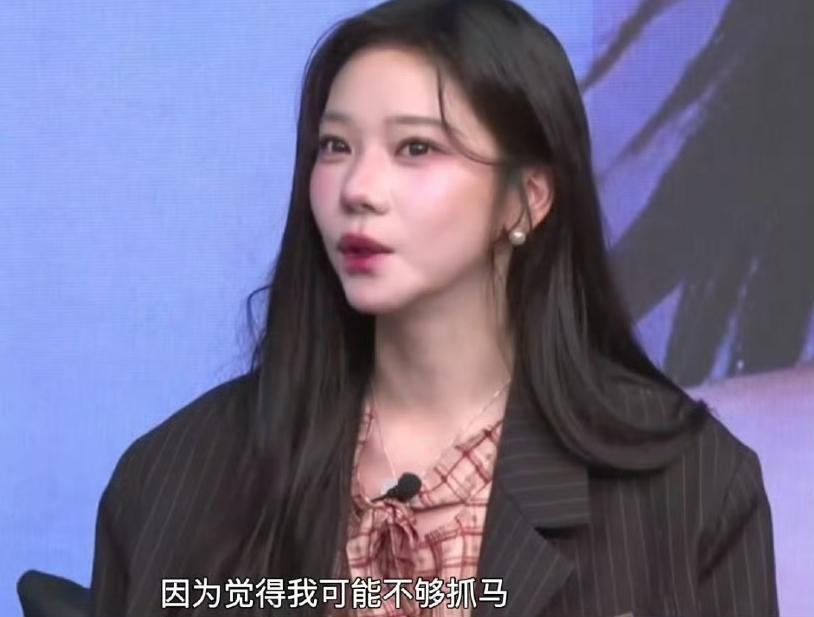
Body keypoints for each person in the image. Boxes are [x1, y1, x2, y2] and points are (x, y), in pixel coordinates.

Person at [88, 0, 779, 615]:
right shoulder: (173, 476)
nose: (358, 189)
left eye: (415, 147)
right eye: (335, 146)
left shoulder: (688, 488)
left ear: (526, 200)